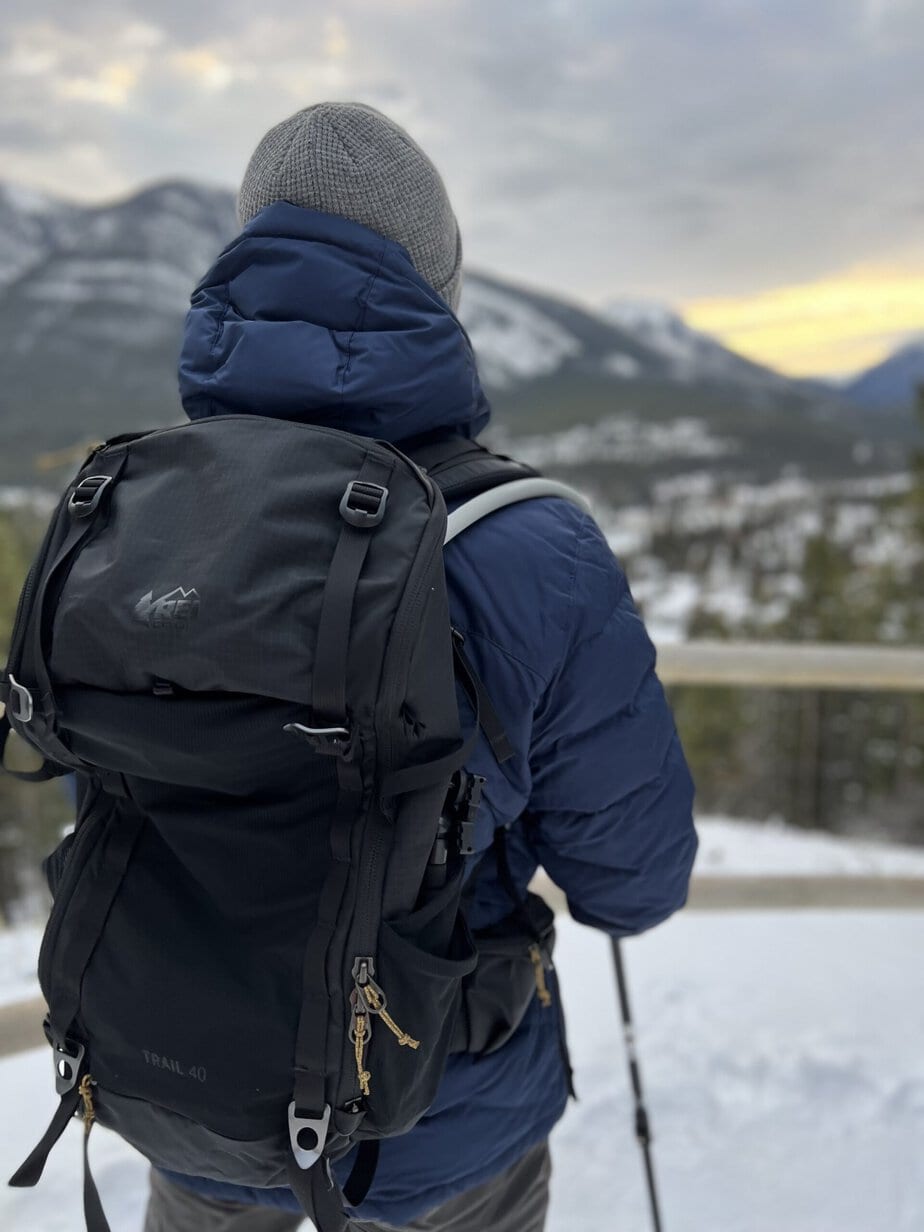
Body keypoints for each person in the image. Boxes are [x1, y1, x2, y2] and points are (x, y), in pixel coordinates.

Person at [145, 101, 697, 1232]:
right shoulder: (530, 544)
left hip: (178, 1073)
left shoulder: (139, 509)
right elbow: (632, 879)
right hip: (436, 1110)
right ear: (438, 286)